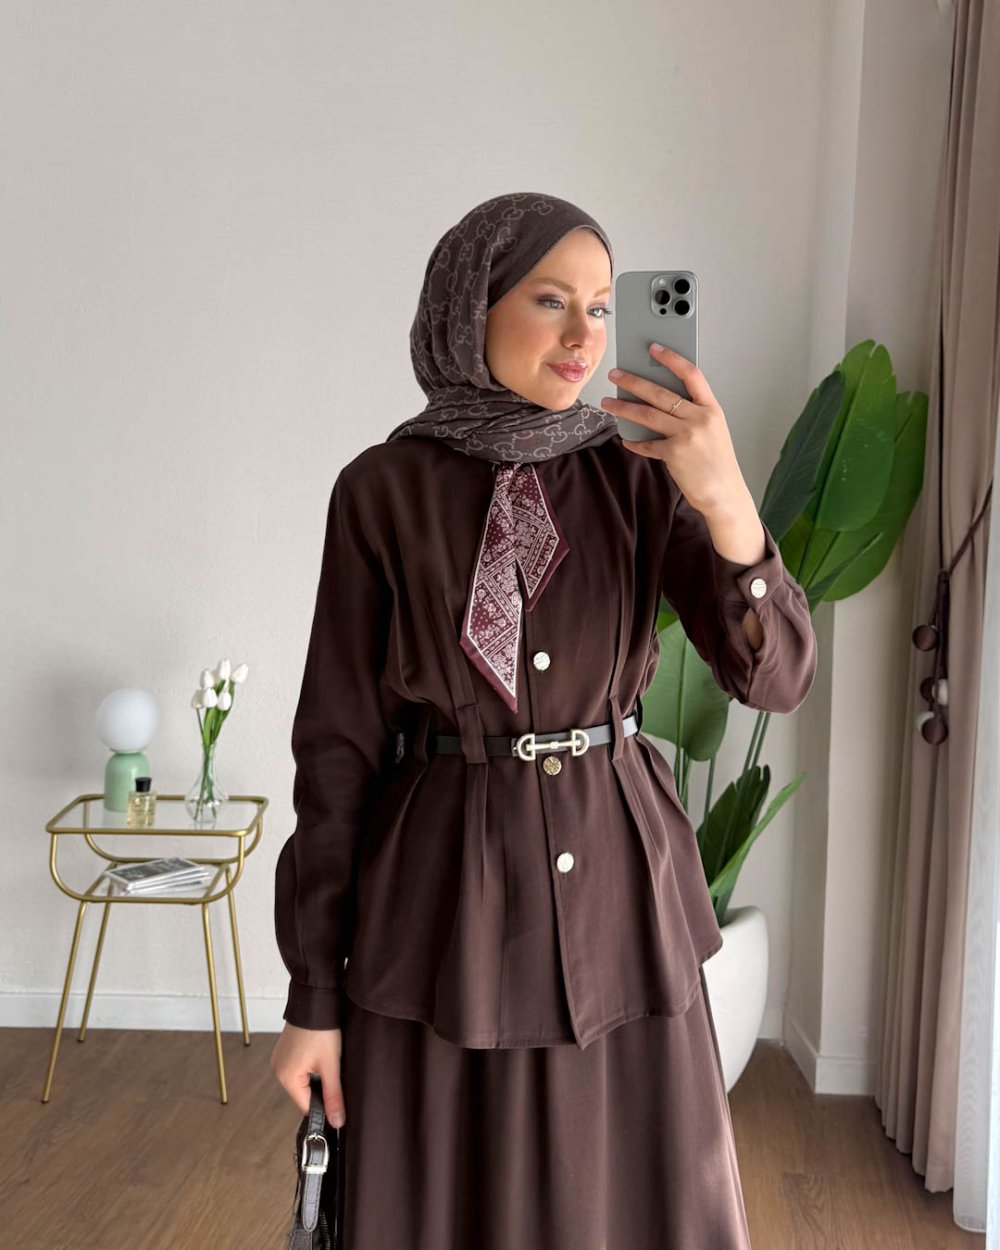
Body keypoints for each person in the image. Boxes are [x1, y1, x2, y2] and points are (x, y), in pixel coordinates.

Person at [271, 191, 817, 1249]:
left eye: (603, 308)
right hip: (438, 918)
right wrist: (312, 998)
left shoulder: (642, 477)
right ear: (467, 306)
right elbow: (334, 753)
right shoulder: (379, 491)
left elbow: (777, 679)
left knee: (624, 1199)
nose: (584, 337)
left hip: (619, 901)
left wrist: (726, 502)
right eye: (550, 300)